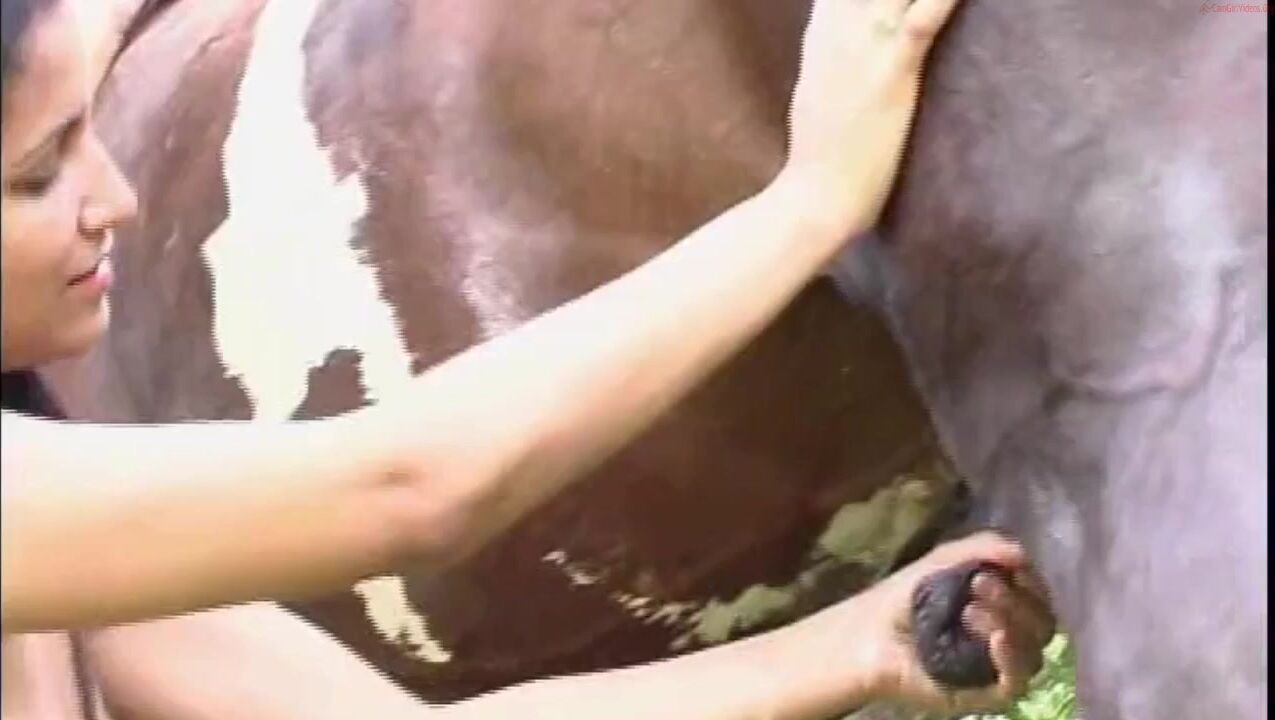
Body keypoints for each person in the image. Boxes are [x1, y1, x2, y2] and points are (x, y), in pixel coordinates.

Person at [0, 0, 1056, 718]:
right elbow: (414, 487)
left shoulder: (81, 563)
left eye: (89, 136)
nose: (116, 200)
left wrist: (861, 646)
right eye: (40, 173)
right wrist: (812, 201)